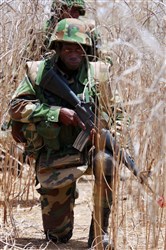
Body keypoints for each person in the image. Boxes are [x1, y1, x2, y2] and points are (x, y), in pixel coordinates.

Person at [9, 18, 128, 249]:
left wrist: (110, 135)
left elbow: (119, 114)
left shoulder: (98, 74)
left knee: (107, 160)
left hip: (88, 150)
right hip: (55, 157)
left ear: (86, 50)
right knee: (58, 238)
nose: (73, 52)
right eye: (67, 47)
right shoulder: (38, 72)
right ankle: (64, 205)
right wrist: (56, 113)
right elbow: (15, 108)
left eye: (79, 47)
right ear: (58, 48)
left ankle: (99, 234)